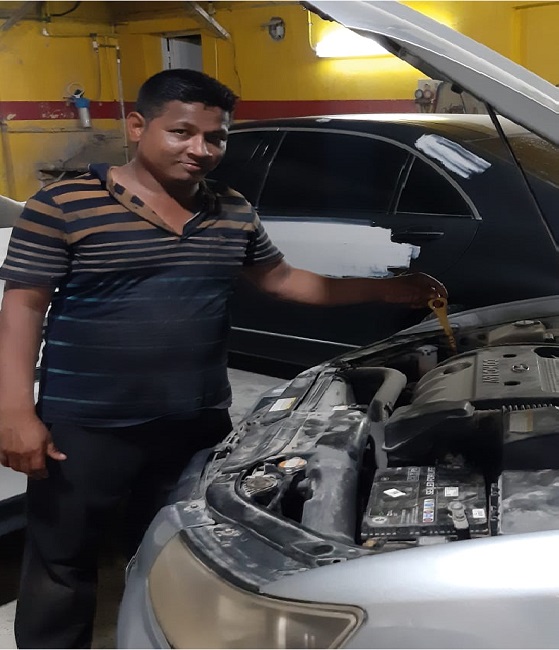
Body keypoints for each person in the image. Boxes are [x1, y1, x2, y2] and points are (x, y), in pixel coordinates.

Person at [0, 69, 446, 649]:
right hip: (86, 425)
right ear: (137, 127)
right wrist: (16, 412)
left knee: (175, 552)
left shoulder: (231, 209)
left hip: (193, 424)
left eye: (215, 137)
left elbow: (283, 280)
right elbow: (23, 307)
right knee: (62, 563)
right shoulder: (62, 204)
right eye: (181, 132)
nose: (201, 150)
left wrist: (389, 290)